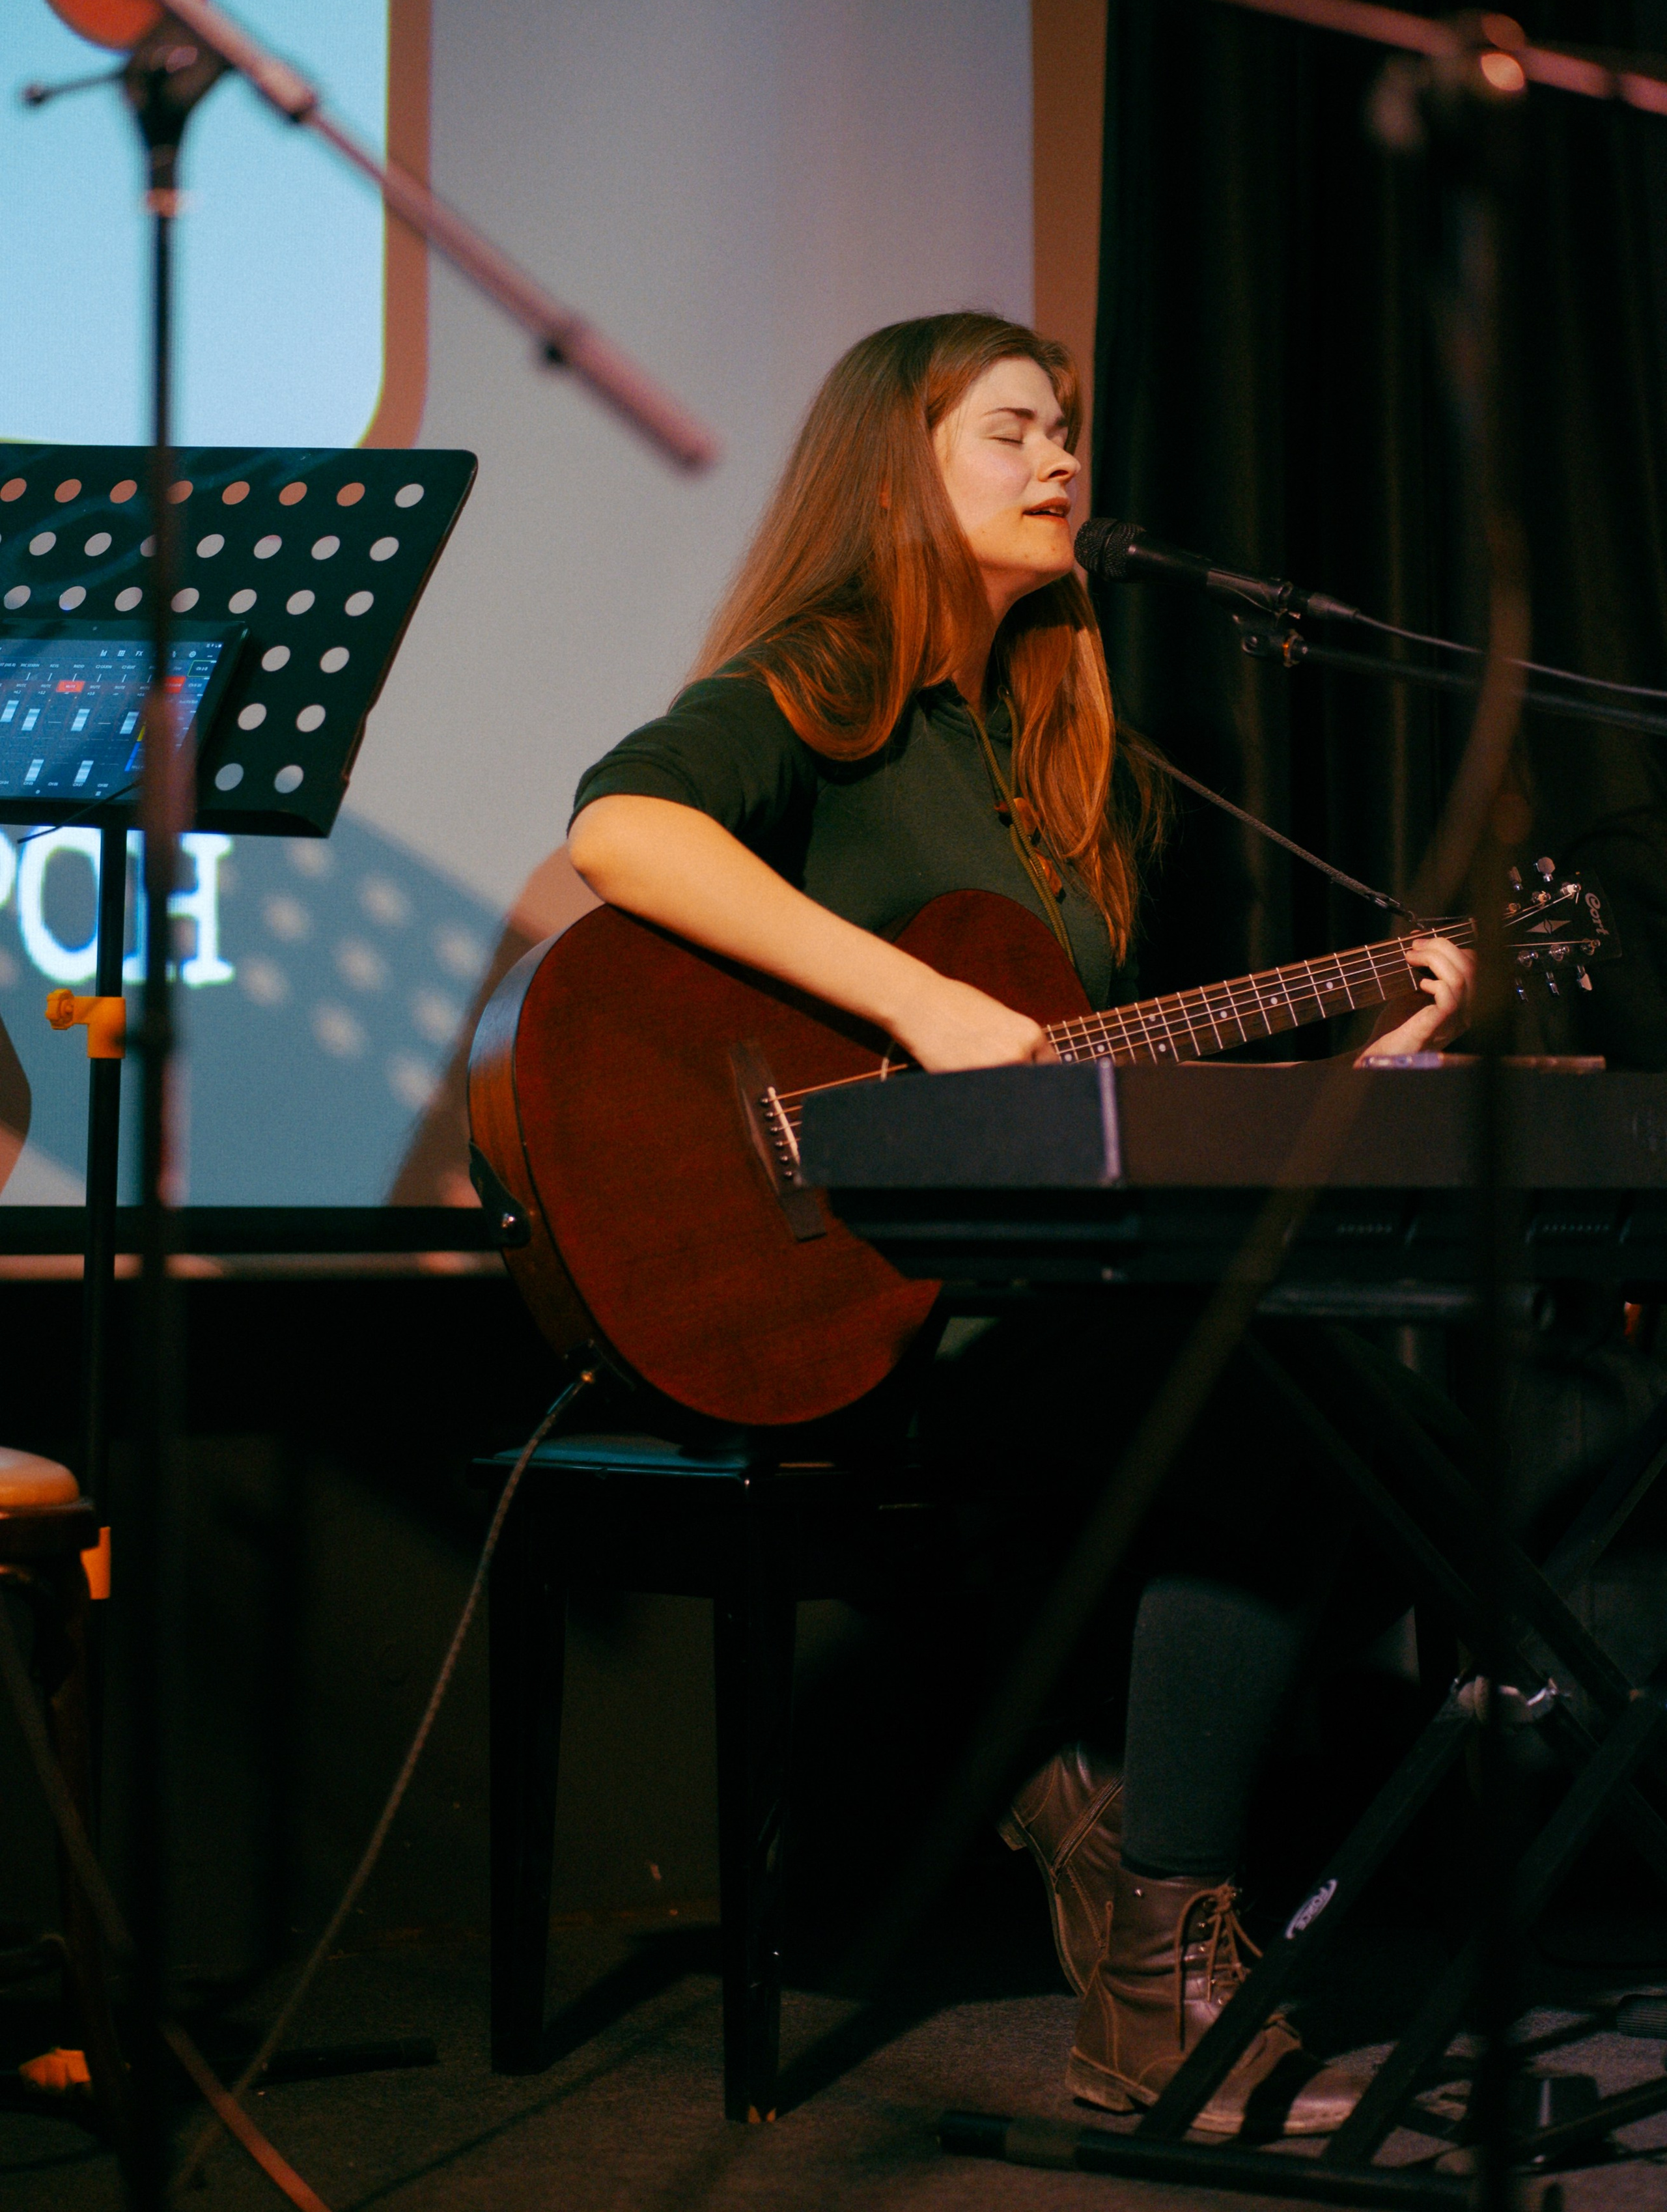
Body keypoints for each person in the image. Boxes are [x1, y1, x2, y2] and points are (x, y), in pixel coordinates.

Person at [567, 313, 1472, 2134]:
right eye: (1013, 431)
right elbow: (622, 834)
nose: (1064, 458)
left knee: (1308, 1369)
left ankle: (1118, 1852)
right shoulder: (820, 689)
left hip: (1038, 1300)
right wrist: (911, 1006)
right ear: (895, 469)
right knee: (1260, 1384)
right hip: (859, 1310)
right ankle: (1155, 1981)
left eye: (1068, 429)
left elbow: (1099, 1101)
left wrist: (1362, 1065)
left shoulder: (1070, 768)